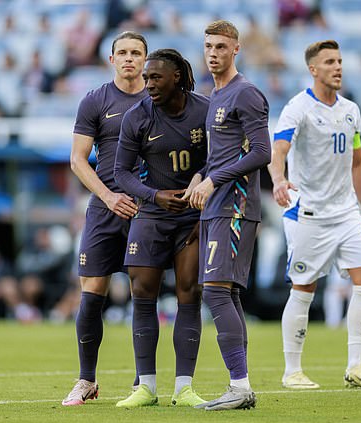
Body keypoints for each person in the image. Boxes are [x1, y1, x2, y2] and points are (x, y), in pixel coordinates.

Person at [268, 39, 361, 390]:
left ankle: (357, 366)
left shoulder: (351, 110)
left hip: (347, 212)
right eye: (330, 62)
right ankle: (292, 371)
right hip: (309, 212)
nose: (338, 67)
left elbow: (358, 164)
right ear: (313, 69)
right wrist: (278, 179)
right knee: (305, 287)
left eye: (340, 61)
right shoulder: (298, 108)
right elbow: (279, 149)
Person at [113, 48, 209, 408]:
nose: (147, 83)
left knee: (189, 293)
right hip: (151, 216)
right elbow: (121, 172)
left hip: (193, 218)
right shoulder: (137, 117)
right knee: (142, 294)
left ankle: (184, 387)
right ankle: (146, 387)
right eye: (146, 77)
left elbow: (220, 159)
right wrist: (154, 195)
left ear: (178, 78)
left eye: (155, 77)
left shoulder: (204, 111)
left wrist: (201, 183)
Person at [188, 20, 271, 411]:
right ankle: (241, 386)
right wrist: (200, 176)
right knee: (226, 293)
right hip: (214, 205)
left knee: (217, 292)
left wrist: (215, 179)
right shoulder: (215, 96)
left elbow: (261, 152)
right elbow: (220, 155)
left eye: (221, 46)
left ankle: (239, 387)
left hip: (235, 206)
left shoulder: (246, 93)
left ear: (236, 49)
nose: (214, 52)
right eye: (208, 46)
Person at [62, 31, 148, 406]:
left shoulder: (158, 99)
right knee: (91, 295)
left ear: (146, 59)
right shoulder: (95, 100)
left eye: (136, 53)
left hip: (146, 210)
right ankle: (86, 380)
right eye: (123, 53)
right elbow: (78, 159)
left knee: (142, 295)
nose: (129, 59)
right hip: (104, 206)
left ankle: (141, 382)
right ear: (111, 59)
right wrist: (109, 196)